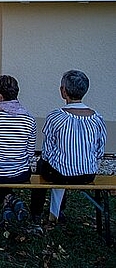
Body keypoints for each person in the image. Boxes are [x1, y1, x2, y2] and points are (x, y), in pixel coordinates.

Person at [29, 70, 107, 228]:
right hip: (88, 174)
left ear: (63, 91)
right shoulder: (98, 118)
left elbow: (47, 152)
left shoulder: (55, 116)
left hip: (59, 175)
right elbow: (99, 151)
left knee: (42, 166)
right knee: (52, 167)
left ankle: (36, 213)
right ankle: (58, 211)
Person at [0, 75, 36, 222]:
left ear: (0, 96)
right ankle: (10, 200)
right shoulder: (29, 119)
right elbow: (30, 153)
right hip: (21, 173)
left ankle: (7, 199)